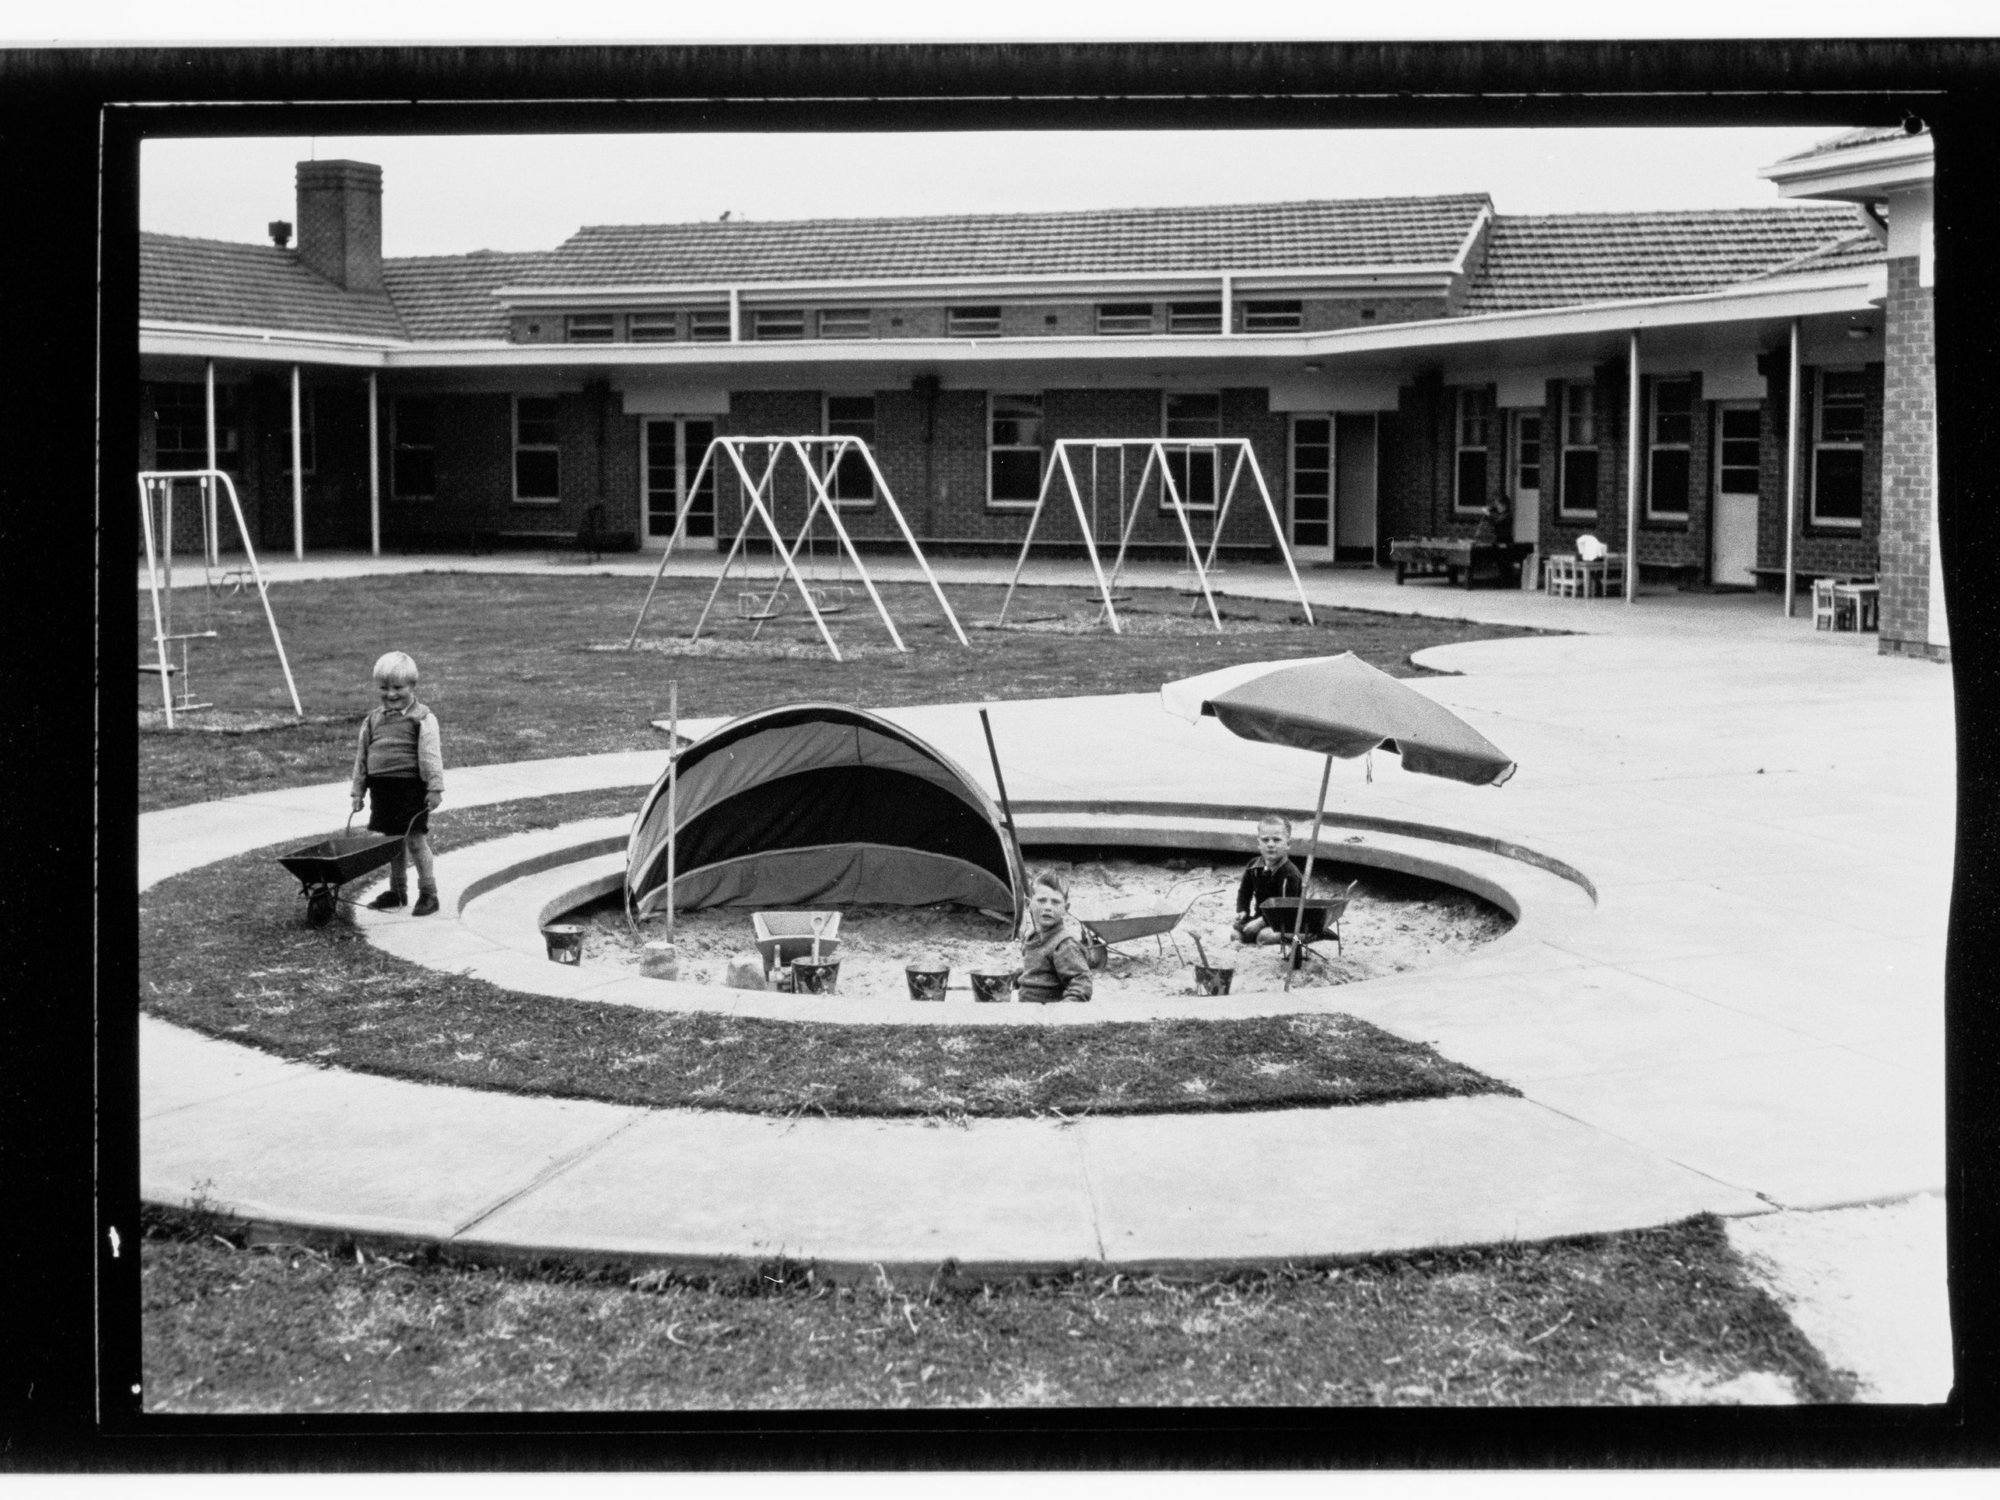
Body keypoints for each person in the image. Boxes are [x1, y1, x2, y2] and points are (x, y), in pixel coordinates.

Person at [349, 650, 445, 916]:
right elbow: (362, 757)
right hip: (382, 790)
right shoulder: (373, 719)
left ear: (412, 686)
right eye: (384, 688)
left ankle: (429, 893)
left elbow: (430, 755)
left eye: (398, 688)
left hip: (410, 790)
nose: (391, 694)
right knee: (392, 843)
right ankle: (398, 891)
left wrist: (434, 787)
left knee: (415, 841)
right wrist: (358, 792)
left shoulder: (422, 718)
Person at [1016, 869, 1093, 1004]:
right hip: (1028, 1009)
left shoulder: (1064, 945)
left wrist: (1060, 1013)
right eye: (1041, 900)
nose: (1048, 907)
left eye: (1055, 902)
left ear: (1066, 908)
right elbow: (1039, 971)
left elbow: (1081, 984)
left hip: (1049, 1015)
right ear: (1028, 904)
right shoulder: (1032, 937)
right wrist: (1016, 976)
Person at [1234, 813, 1304, 946]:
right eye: (1265, 840)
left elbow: (1285, 909)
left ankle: (1296, 939)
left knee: (1264, 936)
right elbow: (1244, 892)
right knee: (1235, 934)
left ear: (1288, 844)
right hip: (1260, 917)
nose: (1270, 844)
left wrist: (1261, 922)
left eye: (1277, 840)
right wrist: (1242, 911)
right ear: (1259, 843)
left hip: (1284, 922)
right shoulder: (1253, 866)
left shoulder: (1290, 874)